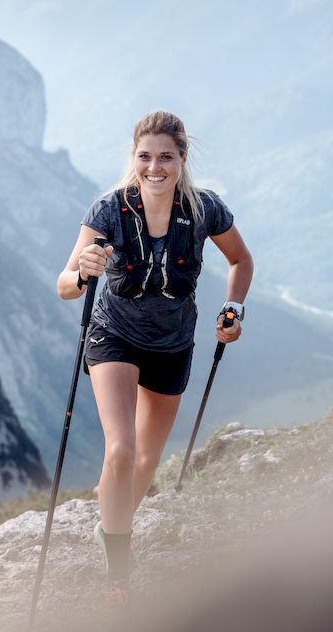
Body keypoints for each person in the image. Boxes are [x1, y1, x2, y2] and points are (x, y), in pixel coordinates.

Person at [57, 110, 253, 603]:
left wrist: (233, 309)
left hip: (173, 343)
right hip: (114, 336)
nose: (154, 166)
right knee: (121, 451)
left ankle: (110, 528)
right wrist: (82, 270)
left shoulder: (206, 209)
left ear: (182, 159)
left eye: (166, 156)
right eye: (145, 156)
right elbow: (64, 287)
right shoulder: (109, 209)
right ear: (134, 158)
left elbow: (241, 260)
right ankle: (118, 574)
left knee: (145, 461)